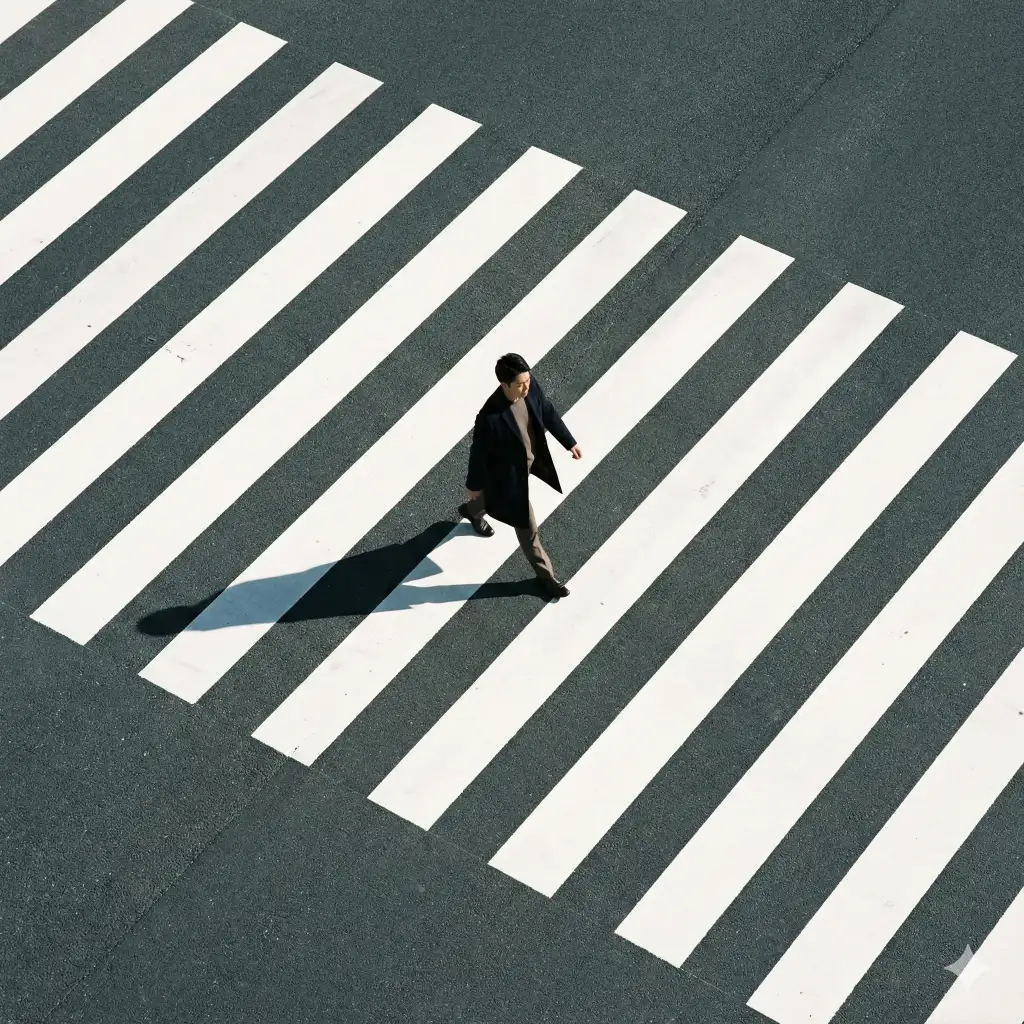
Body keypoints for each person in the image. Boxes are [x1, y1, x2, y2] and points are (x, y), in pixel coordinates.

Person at [459, 352, 582, 599]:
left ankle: (472, 510)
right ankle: (546, 577)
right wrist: (473, 485)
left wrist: (569, 441)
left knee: (493, 502)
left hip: (528, 463)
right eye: (520, 384)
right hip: (507, 477)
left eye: (528, 380)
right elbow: (478, 454)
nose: (527, 387)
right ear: (504, 384)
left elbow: (546, 410)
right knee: (527, 526)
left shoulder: (530, 386)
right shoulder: (489, 418)